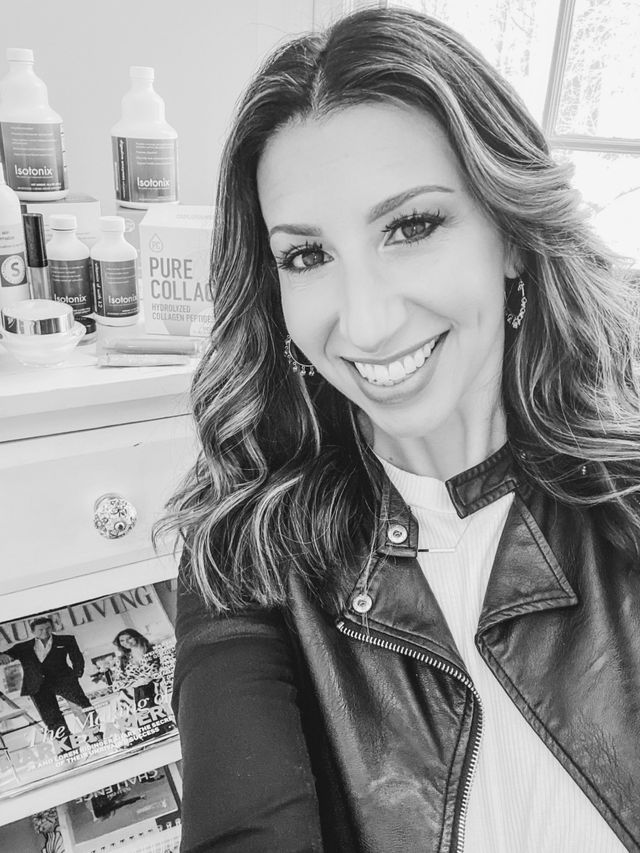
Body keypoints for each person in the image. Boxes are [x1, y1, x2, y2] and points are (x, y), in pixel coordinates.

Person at [160, 8, 640, 852]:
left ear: (512, 236)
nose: (368, 322)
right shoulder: (244, 550)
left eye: (411, 227)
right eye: (307, 256)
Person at [0, 616, 99, 753]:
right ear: (33, 631)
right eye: (40, 630)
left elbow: (77, 657)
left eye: (48, 628)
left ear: (52, 627)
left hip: (64, 681)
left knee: (82, 708)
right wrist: (4, 657)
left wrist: (76, 675)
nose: (45, 632)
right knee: (52, 718)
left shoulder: (66, 640)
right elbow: (6, 656)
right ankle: (68, 747)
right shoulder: (22, 647)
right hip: (38, 687)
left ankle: (96, 737)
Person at [111, 628, 174, 741]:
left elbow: (163, 668)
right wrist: (135, 683)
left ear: (136, 637)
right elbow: (117, 682)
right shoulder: (122, 660)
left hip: (156, 688)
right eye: (122, 641)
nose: (126, 642)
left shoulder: (153, 650)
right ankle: (138, 736)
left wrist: (151, 678)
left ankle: (163, 728)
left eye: (129, 638)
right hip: (133, 693)